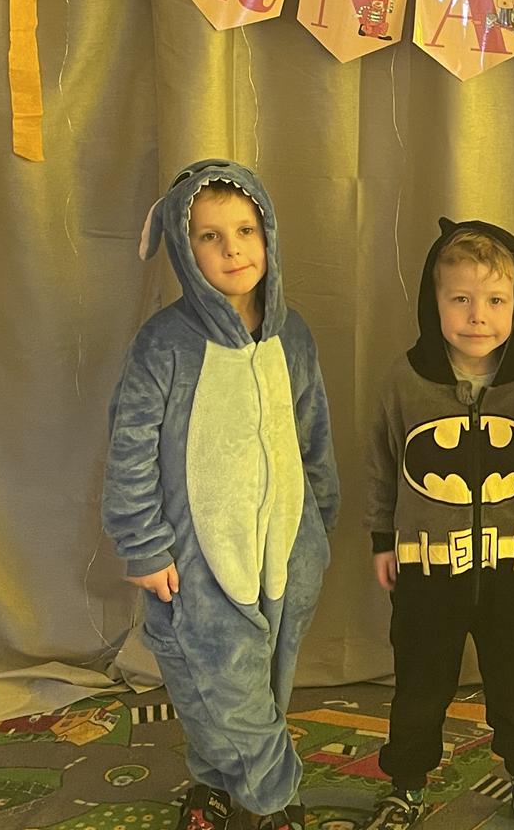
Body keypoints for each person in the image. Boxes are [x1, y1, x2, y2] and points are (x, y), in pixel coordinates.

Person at [103, 160, 339, 830]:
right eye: (210, 236)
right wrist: (145, 544)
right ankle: (274, 801)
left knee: (263, 684)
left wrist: (318, 525)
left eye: (245, 230)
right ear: (184, 248)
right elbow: (129, 448)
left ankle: (212, 780)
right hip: (198, 558)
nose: (233, 249)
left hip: (285, 548)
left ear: (268, 235)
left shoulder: (292, 335)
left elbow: (312, 432)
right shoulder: (164, 344)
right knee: (223, 687)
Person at [363, 219, 514, 830]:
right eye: (460, 298)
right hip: (427, 570)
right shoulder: (404, 382)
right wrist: (382, 538)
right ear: (432, 302)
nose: (478, 316)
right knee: (420, 683)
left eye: (496, 301)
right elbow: (382, 462)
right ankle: (407, 785)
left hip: (511, 568)